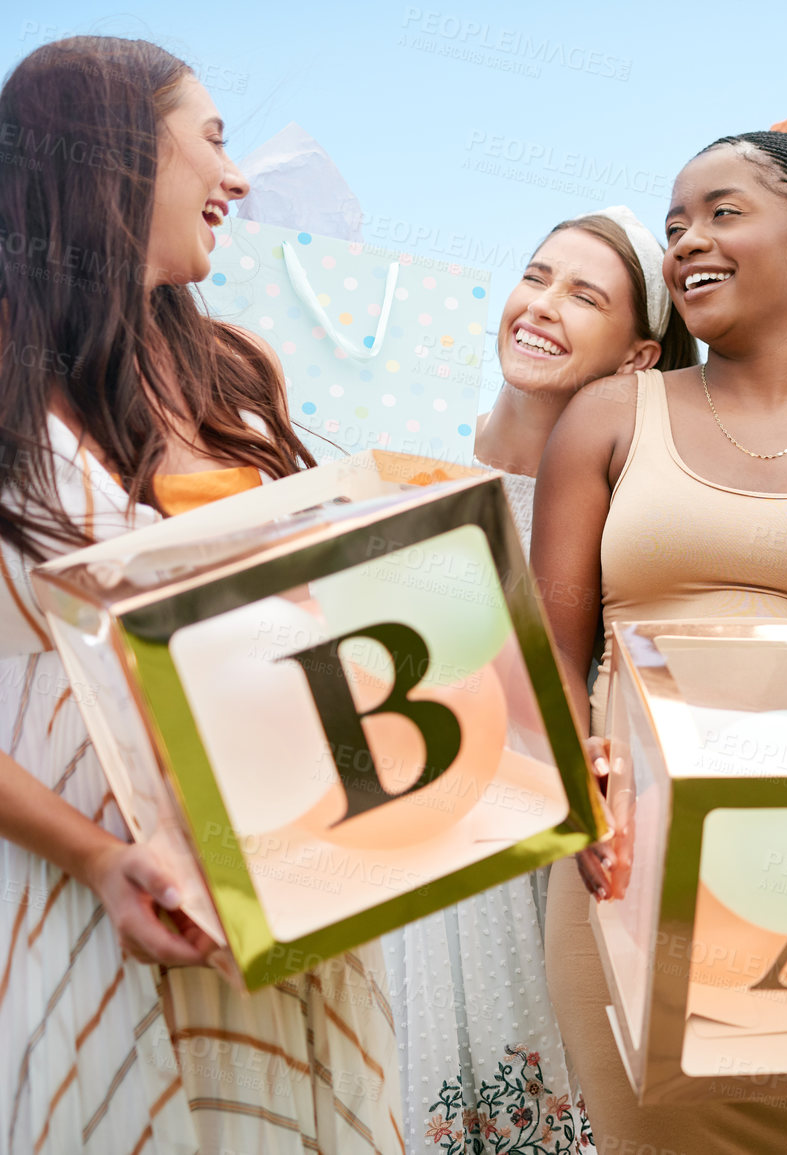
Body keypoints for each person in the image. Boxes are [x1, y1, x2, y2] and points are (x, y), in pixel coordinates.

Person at [0, 36, 402, 1153]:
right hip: (95, 894)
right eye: (214, 141)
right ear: (114, 153)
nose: (237, 179)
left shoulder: (238, 371)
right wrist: (95, 856)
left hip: (296, 879)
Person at [533, 115, 787, 1154]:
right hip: (628, 873)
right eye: (676, 224)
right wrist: (572, 784)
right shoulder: (610, 417)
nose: (687, 243)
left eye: (724, 213)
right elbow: (545, 663)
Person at [386, 206, 695, 1152]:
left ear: (639, 356)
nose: (543, 306)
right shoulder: (400, 463)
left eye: (584, 295)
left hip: (553, 857)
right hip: (408, 861)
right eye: (536, 276)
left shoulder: (627, 515)